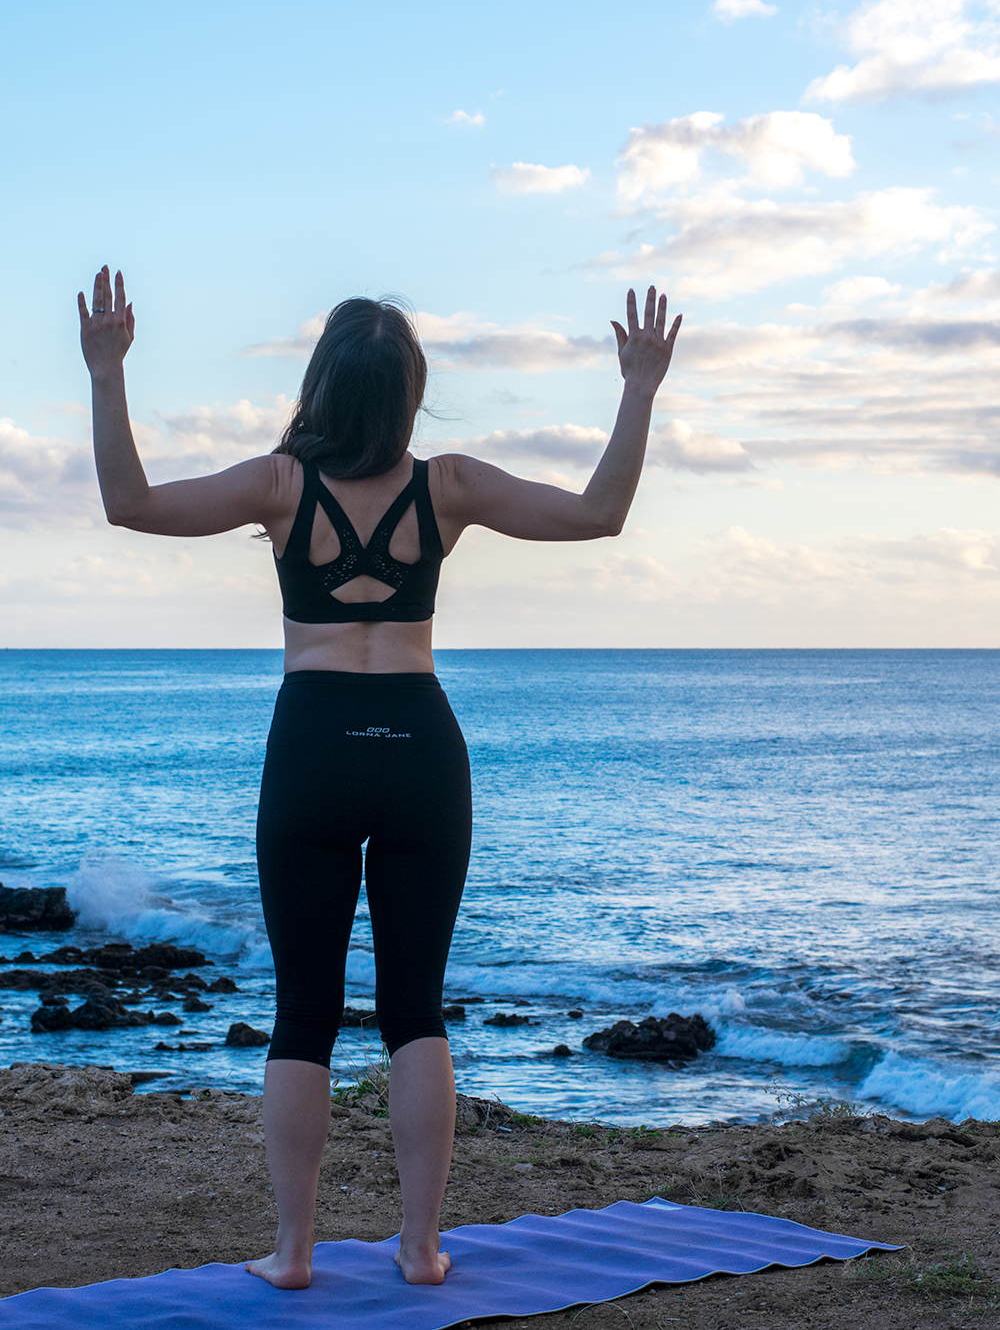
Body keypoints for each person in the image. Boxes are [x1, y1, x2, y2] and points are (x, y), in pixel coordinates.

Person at [79, 266, 681, 1291]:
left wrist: (105, 373)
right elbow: (597, 515)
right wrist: (638, 390)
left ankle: (294, 1251)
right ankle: (418, 1246)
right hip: (419, 747)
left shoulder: (279, 486)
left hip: (313, 742)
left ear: (320, 387)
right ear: (408, 393)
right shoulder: (447, 486)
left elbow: (129, 503)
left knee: (302, 1009)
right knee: (416, 1009)